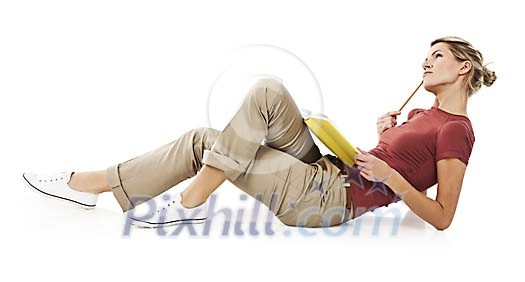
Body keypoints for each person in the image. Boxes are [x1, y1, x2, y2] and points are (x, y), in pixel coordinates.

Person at [22, 36, 496, 230]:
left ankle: (118, 189)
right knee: (267, 92)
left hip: (329, 198)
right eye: (427, 55)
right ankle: (103, 188)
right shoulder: (419, 115)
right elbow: (392, 163)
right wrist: (379, 138)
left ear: (463, 67)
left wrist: (390, 181)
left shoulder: (457, 131)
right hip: (331, 166)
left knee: (204, 140)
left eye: (436, 56)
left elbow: (442, 216)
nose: (425, 62)